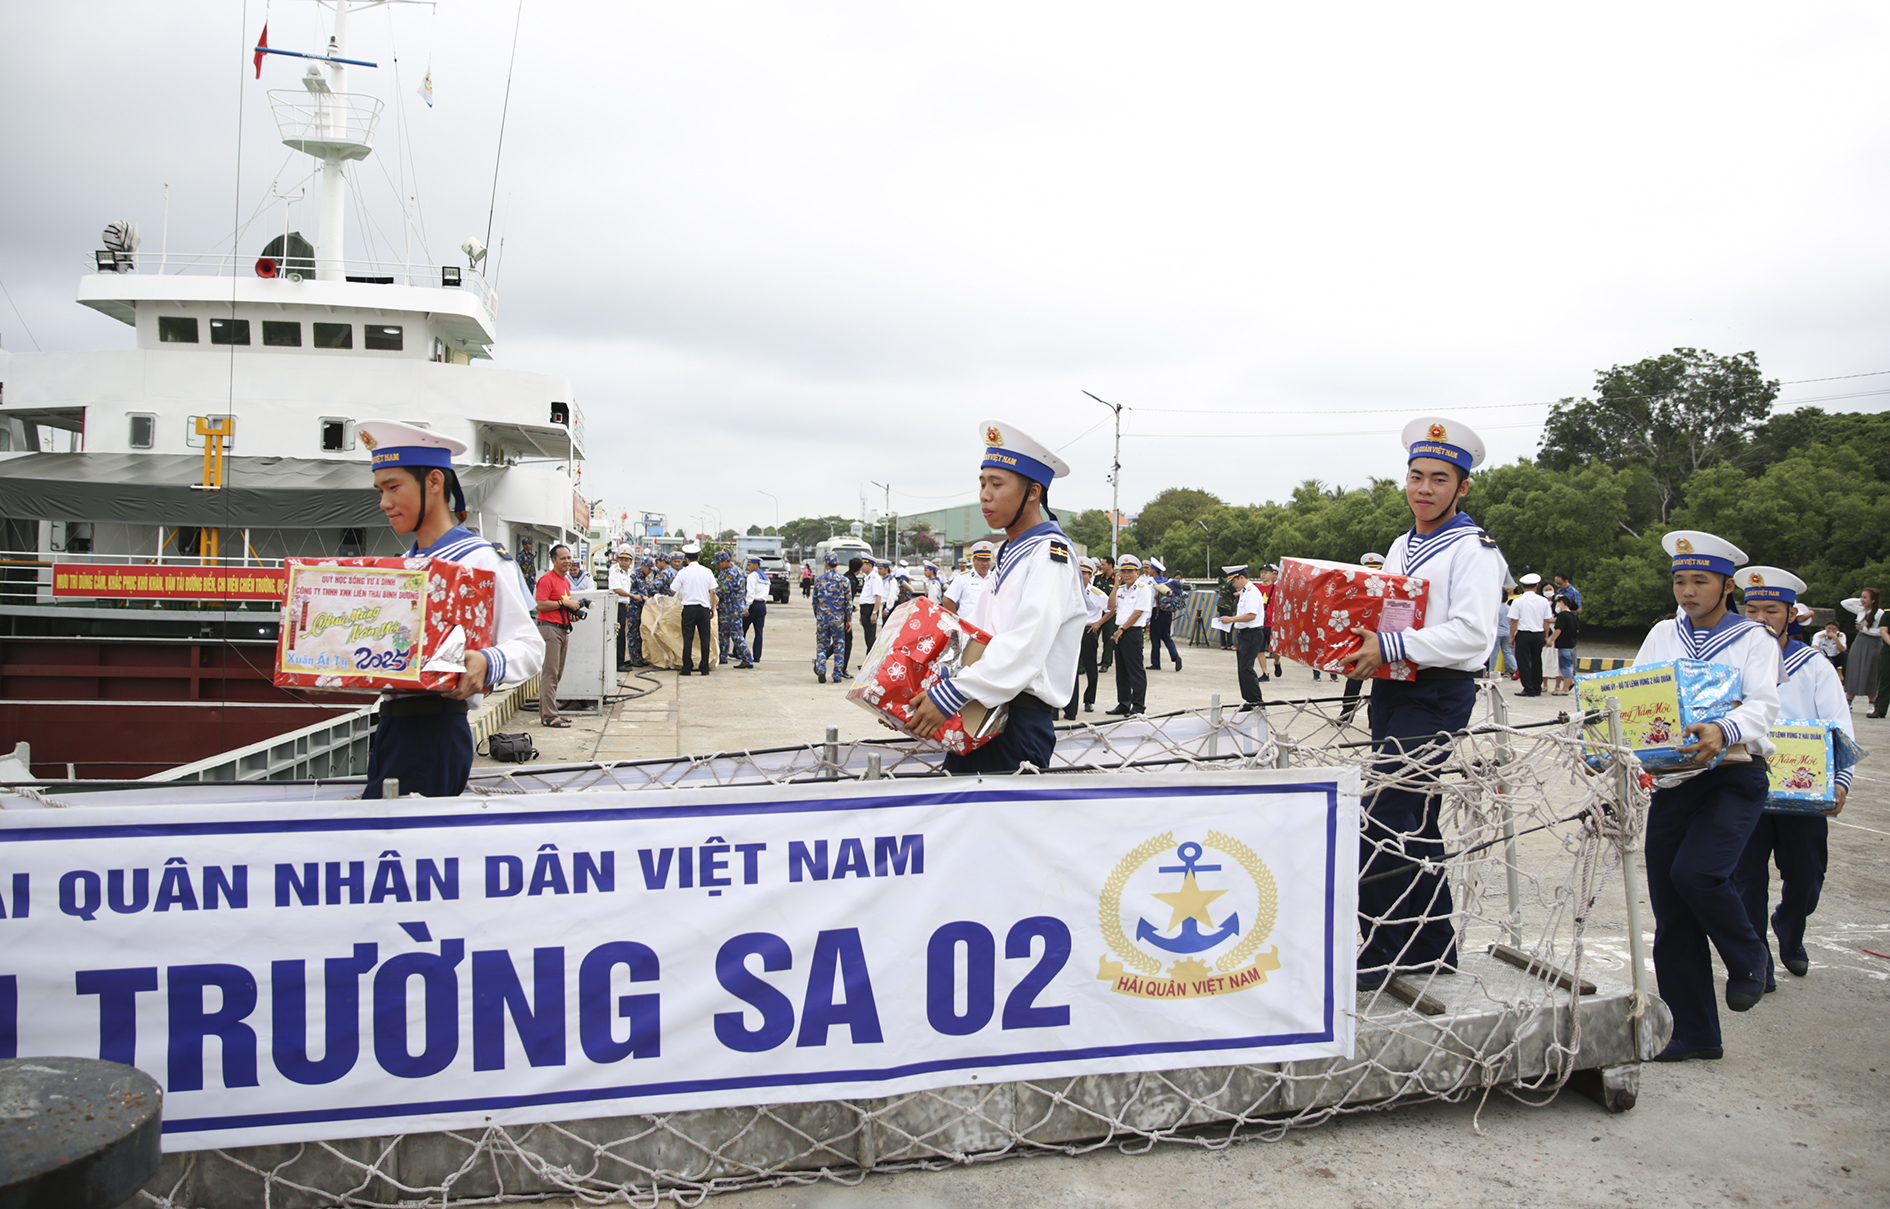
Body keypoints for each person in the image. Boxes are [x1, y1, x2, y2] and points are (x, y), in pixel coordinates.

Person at [1340, 417, 1505, 991]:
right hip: (1394, 687)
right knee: (1416, 822)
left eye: (1439, 479)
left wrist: (1389, 644)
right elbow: (1389, 611)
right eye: (1416, 476)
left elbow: (1472, 635)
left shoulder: (1474, 550)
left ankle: (1386, 944)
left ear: (1462, 488)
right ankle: (1432, 946)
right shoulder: (1401, 544)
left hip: (1436, 693)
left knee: (1382, 817)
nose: (1424, 489)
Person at [1630, 531, 1781, 1063]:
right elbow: (1636, 692)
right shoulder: (1662, 634)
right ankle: (1693, 1033)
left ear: (1726, 585)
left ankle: (1748, 957)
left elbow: (1764, 707)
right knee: (1672, 912)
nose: (1688, 591)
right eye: (1680, 580)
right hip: (1673, 782)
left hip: (1734, 777)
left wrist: (1724, 726)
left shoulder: (1754, 639)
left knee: (1698, 873)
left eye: (1700, 580)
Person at [353, 420, 543, 798]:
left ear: (434, 483)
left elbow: (531, 646)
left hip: (435, 730)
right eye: (380, 490)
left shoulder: (480, 560)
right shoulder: (404, 566)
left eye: (393, 488)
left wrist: (487, 661)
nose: (384, 503)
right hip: (392, 728)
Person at [909, 420, 1085, 773]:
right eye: (982, 483)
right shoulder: (1009, 551)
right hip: (982, 708)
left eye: (997, 484)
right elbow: (976, 640)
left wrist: (949, 696)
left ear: (1033, 492)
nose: (985, 495)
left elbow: (1026, 645)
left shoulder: (1050, 556)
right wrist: (920, 699)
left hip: (1016, 722)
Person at [1733, 566, 1846, 994]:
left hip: (1803, 789)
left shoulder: (1812, 663)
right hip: (1745, 785)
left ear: (1791, 615)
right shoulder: (1734, 657)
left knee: (1806, 875)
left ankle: (1790, 925)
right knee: (1746, 879)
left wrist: (1842, 780)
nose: (1760, 618)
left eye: (1771, 610)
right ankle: (1756, 959)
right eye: (1753, 609)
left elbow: (1839, 723)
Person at [532, 544, 581, 728]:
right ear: (553, 560)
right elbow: (540, 605)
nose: (567, 561)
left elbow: (561, 606)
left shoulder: (565, 581)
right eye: (563, 558)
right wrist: (564, 602)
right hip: (550, 630)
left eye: (569, 558)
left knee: (557, 674)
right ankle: (549, 716)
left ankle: (551, 712)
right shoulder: (547, 579)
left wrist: (571, 614)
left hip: (563, 628)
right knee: (550, 674)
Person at [1107, 555, 1153, 716]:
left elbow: (1137, 612)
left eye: (1129, 571)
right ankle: (1124, 703)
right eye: (1123, 571)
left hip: (1132, 632)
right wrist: (1115, 587)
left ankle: (1138, 706)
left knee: (1135, 671)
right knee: (1122, 671)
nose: (1126, 574)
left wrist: (1122, 629)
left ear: (1137, 572)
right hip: (1120, 631)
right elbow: (1111, 607)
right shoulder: (1120, 590)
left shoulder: (1143, 589)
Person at [1064, 557, 1108, 718]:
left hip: (1088, 631)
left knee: (1090, 667)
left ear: (1091, 576)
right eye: (1079, 573)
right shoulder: (1069, 591)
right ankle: (1067, 701)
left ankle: (1089, 700)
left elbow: (1111, 608)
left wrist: (1099, 623)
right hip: (1072, 632)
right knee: (1070, 668)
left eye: (1085, 574)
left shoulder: (1096, 593)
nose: (1082, 577)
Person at [1218, 565, 1267, 710]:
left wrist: (1231, 619)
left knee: (1246, 668)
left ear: (1242, 578)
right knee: (1243, 669)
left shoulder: (1251, 592)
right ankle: (1249, 700)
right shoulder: (1245, 592)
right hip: (1246, 634)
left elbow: (1251, 615)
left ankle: (1256, 701)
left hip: (1252, 633)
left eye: (1234, 582)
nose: (1233, 585)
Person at [671, 544, 718, 675]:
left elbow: (673, 589)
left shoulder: (683, 572)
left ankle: (687, 668)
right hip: (703, 609)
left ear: (686, 559)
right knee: (705, 638)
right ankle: (704, 667)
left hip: (689, 609)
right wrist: (713, 607)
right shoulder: (707, 571)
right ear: (698, 558)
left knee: (687, 638)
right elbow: (713, 591)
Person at [1509, 573, 1552, 696]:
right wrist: (1545, 636)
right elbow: (1546, 621)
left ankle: (1528, 687)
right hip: (1538, 634)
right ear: (1536, 587)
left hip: (1523, 634)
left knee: (1523, 661)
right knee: (1537, 660)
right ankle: (1537, 687)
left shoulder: (1517, 601)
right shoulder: (1544, 601)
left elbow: (1514, 620)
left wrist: (1511, 636)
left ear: (1523, 587)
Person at [812, 553, 853, 683]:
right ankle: (837, 674)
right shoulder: (844, 580)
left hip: (823, 618)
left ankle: (821, 667)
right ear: (838, 564)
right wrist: (848, 620)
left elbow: (815, 602)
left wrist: (818, 616)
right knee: (839, 645)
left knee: (821, 645)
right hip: (838, 618)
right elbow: (848, 603)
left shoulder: (819, 580)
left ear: (826, 564)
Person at [713, 550, 755, 668]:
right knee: (723, 634)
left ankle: (747, 659)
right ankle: (722, 657)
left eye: (719, 563)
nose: (718, 566)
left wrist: (711, 593)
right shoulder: (724, 572)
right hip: (725, 608)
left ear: (726, 561)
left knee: (736, 635)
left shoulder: (733, 572)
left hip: (734, 608)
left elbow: (724, 590)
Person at [1840, 590, 1881, 710]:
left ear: (1873, 600)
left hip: (1873, 642)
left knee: (1871, 671)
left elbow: (1880, 631)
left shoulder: (1879, 613)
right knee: (1854, 668)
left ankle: (1872, 703)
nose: (1861, 599)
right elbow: (1845, 603)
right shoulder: (1861, 610)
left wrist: (1865, 629)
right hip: (1860, 641)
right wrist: (1862, 601)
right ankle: (1849, 701)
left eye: (1865, 597)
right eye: (1861, 597)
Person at [943, 541, 996, 625]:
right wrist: (957, 620)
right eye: (981, 560)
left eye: (987, 560)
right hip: (969, 627)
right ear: (974, 560)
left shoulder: (996, 578)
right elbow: (947, 600)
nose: (985, 564)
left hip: (989, 626)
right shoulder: (963, 578)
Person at [1147, 559, 1183, 672]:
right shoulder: (1168, 582)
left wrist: (1147, 617)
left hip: (1156, 612)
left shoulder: (1151, 582)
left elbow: (1149, 600)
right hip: (1167, 613)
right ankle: (1175, 656)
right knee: (1166, 636)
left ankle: (1156, 663)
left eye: (1150, 569)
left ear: (1154, 570)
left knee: (1155, 638)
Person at [609, 550, 639, 671]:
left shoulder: (627, 573)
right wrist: (632, 596)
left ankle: (621, 659)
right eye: (621, 560)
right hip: (617, 605)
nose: (623, 562)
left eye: (626, 560)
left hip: (624, 606)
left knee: (622, 634)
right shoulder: (616, 572)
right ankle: (618, 663)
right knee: (619, 634)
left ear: (631, 562)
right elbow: (617, 589)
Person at [1548, 595, 1580, 695]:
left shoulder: (1562, 615)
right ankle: (1568, 683)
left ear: (1562, 603)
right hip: (1572, 644)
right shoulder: (1573, 616)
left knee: (1565, 666)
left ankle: (1565, 689)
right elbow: (1577, 630)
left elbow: (1558, 629)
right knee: (1570, 666)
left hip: (1564, 645)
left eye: (1558, 603)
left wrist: (1552, 640)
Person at [743, 555, 770, 661]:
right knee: (758, 632)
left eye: (750, 565)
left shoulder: (753, 576)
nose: (748, 567)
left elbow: (750, 592)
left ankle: (739, 652)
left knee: (742, 630)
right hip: (762, 605)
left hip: (753, 605)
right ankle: (757, 656)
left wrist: (746, 607)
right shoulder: (764, 576)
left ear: (756, 565)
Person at [1095, 555, 1118, 672]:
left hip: (1111, 613)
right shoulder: (1097, 578)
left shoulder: (1117, 580)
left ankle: (1106, 662)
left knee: (1108, 638)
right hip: (1098, 612)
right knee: (1093, 636)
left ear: (1110, 565)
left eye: (1104, 564)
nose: (1101, 567)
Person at [1488, 587, 1514, 681]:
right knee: (1507, 652)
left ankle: (1491, 670)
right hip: (1507, 631)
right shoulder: (1509, 608)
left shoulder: (1495, 609)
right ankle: (1515, 668)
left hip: (1497, 632)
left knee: (1494, 652)